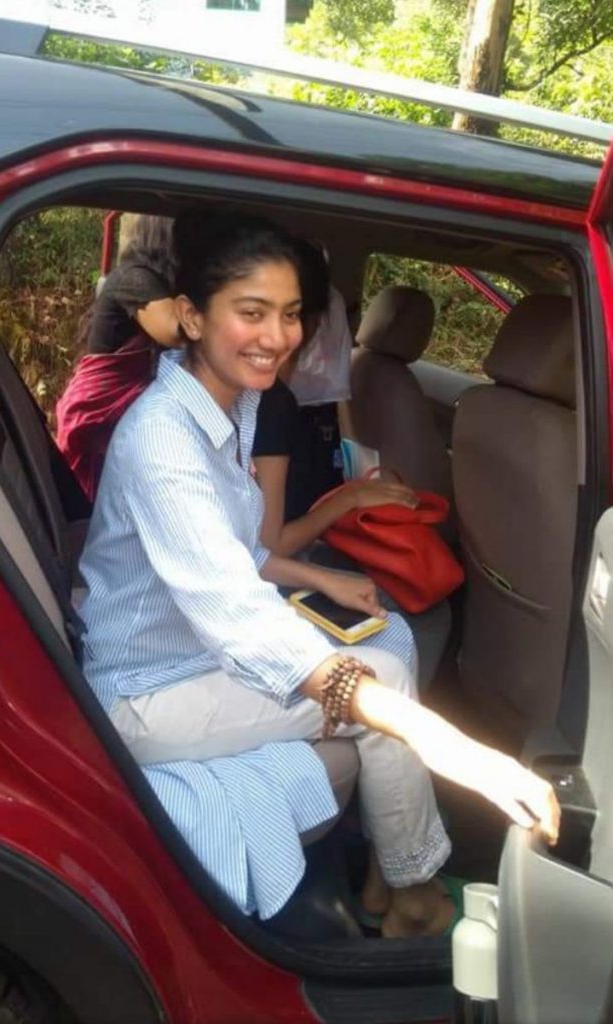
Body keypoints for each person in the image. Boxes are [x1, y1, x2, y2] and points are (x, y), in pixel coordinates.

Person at [78, 209, 559, 936]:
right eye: (251, 313)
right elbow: (239, 614)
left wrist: (325, 584)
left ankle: (389, 884)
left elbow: (237, 553)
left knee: (386, 642)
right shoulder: (163, 441)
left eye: (292, 314)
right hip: (147, 694)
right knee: (386, 678)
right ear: (191, 317)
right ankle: (412, 894)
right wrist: (459, 751)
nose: (277, 337)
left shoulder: (224, 409)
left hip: (190, 653)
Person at [254, 239, 417, 559]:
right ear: (316, 323)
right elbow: (271, 548)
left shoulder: (250, 393)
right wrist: (352, 496)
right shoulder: (272, 403)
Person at [55, 214, 179, 500]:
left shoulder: (151, 281)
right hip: (97, 414)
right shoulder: (134, 277)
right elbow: (175, 330)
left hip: (114, 413)